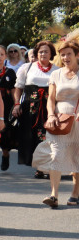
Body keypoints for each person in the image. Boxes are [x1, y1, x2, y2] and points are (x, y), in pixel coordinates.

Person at [40, 39, 79, 207]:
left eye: (68, 54)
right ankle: (54, 195)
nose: (65, 57)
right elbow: (51, 98)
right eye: (62, 54)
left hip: (77, 119)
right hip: (59, 120)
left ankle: (75, 192)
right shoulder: (55, 74)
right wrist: (50, 114)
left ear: (77, 55)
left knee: (77, 157)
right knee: (55, 155)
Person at [13, 40, 59, 177]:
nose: (43, 54)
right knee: (32, 137)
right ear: (36, 53)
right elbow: (18, 88)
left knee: (49, 137)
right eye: (40, 51)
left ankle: (50, 166)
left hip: (50, 109)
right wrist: (17, 104)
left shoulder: (57, 70)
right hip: (30, 109)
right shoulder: (27, 68)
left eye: (46, 51)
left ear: (51, 53)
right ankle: (39, 167)